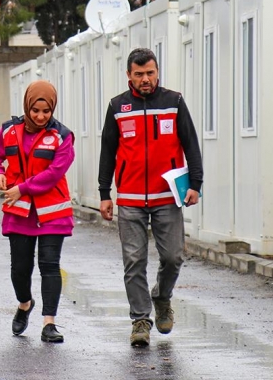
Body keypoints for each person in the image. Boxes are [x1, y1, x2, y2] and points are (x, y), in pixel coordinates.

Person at [98, 47, 203, 347]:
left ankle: (162, 297)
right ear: (129, 75)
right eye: (139, 74)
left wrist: (196, 182)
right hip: (129, 197)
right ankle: (140, 320)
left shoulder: (174, 102)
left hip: (167, 195)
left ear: (157, 72)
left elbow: (190, 143)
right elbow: (108, 151)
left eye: (150, 73)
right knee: (134, 261)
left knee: (173, 257)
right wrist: (105, 193)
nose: (146, 79)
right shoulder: (118, 106)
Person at [0, 80, 75, 343]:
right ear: (27, 106)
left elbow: (54, 173)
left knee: (49, 265)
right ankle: (25, 303)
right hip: (19, 211)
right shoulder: (9, 131)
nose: (40, 116)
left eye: (46, 111)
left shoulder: (62, 136)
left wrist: (22, 188)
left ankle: (49, 323)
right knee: (20, 269)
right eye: (35, 110)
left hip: (52, 212)